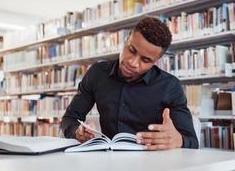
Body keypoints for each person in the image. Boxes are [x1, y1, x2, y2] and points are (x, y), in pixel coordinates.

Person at [61, 17, 198, 149]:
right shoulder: (97, 73)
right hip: (108, 160)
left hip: (150, 162)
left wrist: (177, 140)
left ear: (155, 61)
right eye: (131, 50)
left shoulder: (170, 86)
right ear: (125, 41)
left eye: (145, 60)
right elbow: (70, 118)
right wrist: (77, 131)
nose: (132, 62)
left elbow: (191, 141)